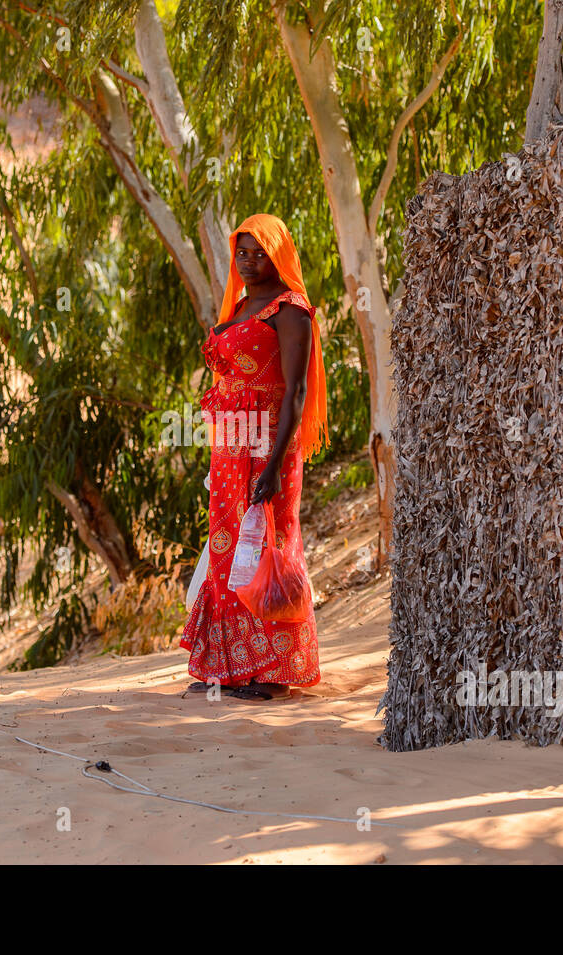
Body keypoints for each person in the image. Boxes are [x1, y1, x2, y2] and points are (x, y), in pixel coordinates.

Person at [179, 213, 328, 701]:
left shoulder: (292, 310)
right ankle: (229, 666)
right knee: (227, 548)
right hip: (228, 446)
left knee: (267, 545)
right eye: (241, 252)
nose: (247, 261)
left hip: (268, 445)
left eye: (258, 252)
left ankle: (270, 669)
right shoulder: (241, 306)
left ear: (278, 255)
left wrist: (273, 465)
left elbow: (296, 392)